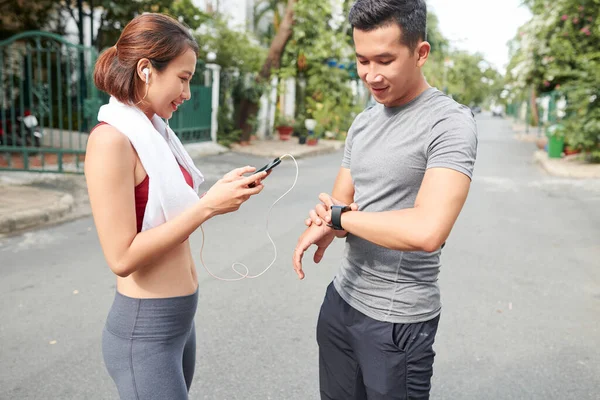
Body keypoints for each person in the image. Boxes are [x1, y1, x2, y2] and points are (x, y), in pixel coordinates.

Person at [292, 0, 478, 399]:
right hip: (341, 306)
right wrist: (325, 222)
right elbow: (341, 203)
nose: (370, 75)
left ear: (420, 52)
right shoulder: (364, 121)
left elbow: (428, 230)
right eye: (361, 60)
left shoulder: (449, 123)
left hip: (398, 323)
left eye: (385, 60)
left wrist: (341, 219)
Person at [85, 13, 267, 400]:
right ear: (147, 70)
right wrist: (207, 208)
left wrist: (218, 195)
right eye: (183, 79)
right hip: (144, 332)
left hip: (178, 324)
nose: (186, 93)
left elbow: (169, 214)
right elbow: (121, 256)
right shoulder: (112, 141)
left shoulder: (155, 132)